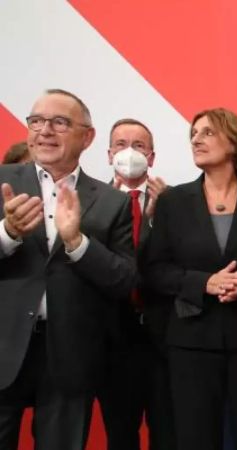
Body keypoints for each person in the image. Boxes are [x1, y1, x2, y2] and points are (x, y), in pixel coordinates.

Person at [143, 107, 237, 450]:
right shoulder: (173, 201)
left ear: (233, 142)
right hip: (191, 340)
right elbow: (155, 270)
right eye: (194, 134)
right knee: (194, 437)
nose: (197, 139)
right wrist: (204, 283)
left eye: (208, 132)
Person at [0, 89, 137, 449]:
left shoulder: (112, 201)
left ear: (87, 137)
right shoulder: (4, 182)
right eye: (37, 121)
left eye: (59, 122)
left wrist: (77, 243)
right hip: (4, 345)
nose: (45, 131)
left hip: (70, 354)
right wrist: (7, 233)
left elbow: (123, 280)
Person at [99, 118, 175, 450]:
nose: (129, 152)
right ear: (108, 153)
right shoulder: (91, 203)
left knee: (168, 431)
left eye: (139, 145)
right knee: (120, 433)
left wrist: (158, 218)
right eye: (121, 144)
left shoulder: (175, 202)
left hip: (164, 336)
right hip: (113, 338)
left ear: (152, 157)